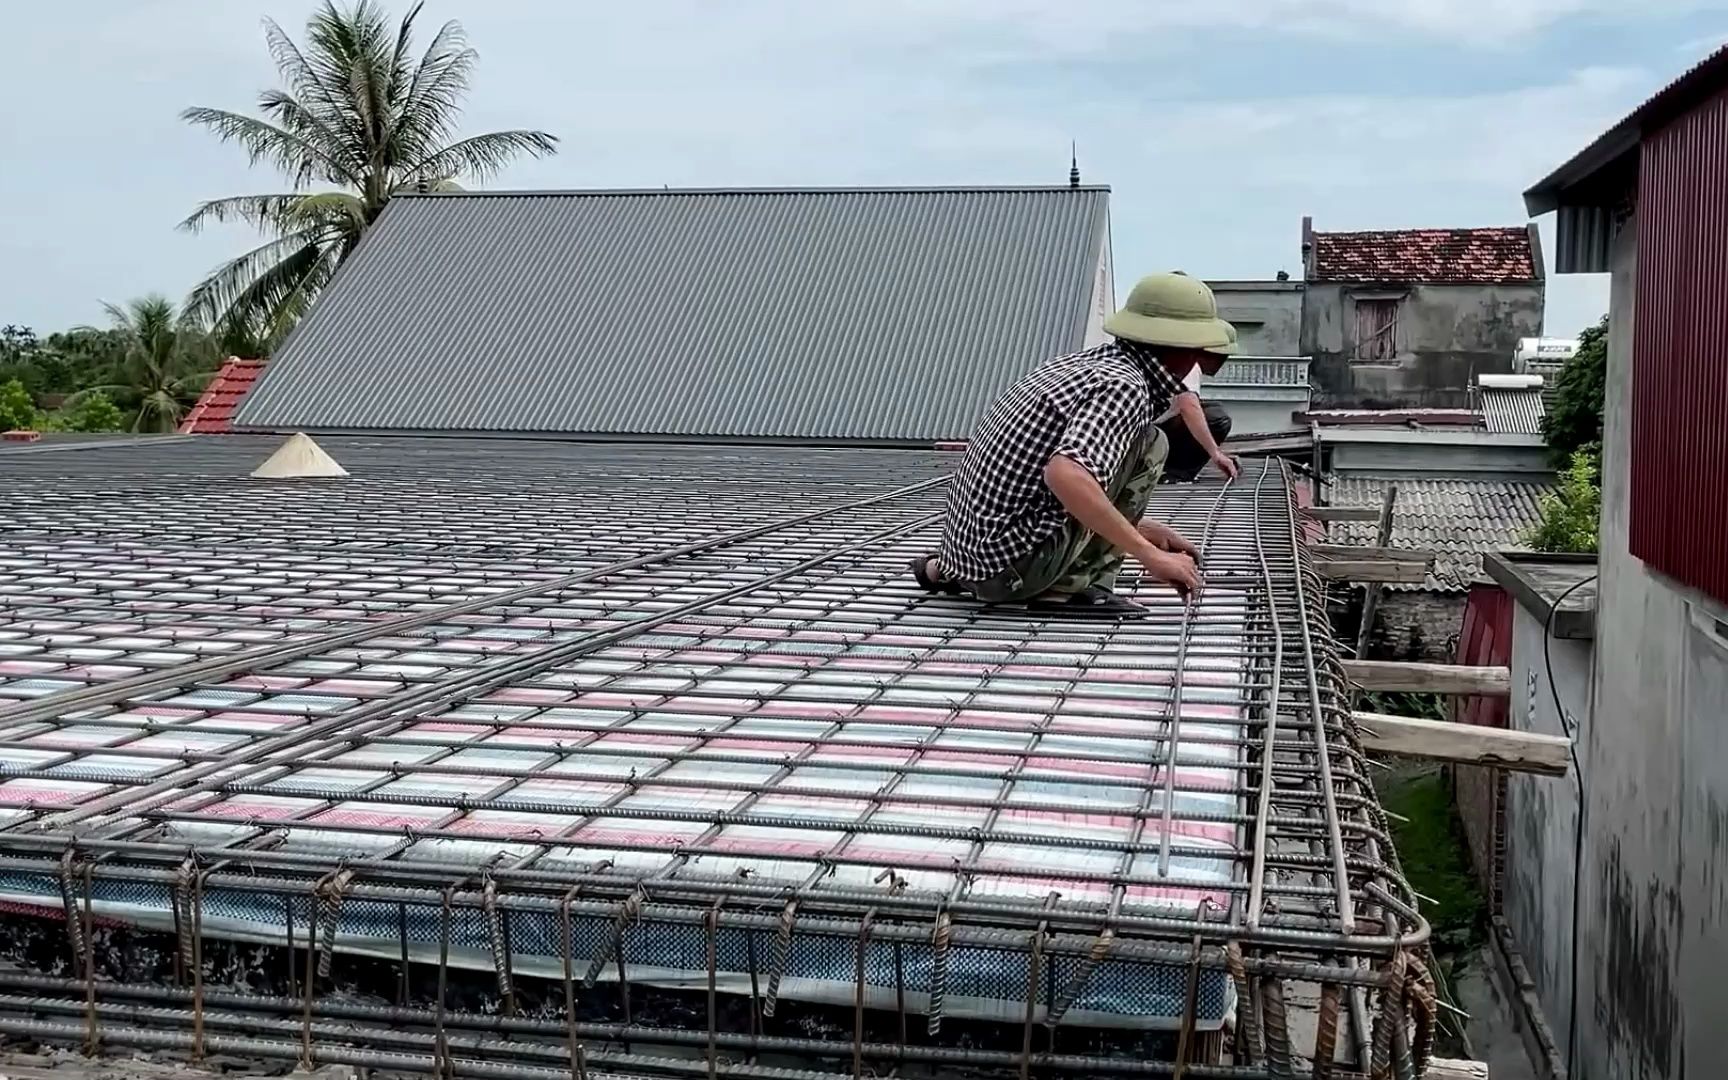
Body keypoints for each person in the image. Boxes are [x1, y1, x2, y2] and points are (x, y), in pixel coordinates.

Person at [910, 272, 1237, 616]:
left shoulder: (1090, 364)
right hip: (1010, 572)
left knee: (1132, 447)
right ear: (1185, 348)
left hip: (973, 557)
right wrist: (1148, 554)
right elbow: (1065, 476)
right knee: (1152, 443)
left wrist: (1143, 530)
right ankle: (1067, 589)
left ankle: (942, 571)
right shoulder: (1124, 386)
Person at [1157, 322, 1239, 483]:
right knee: (1217, 419)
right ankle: (1175, 472)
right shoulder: (1189, 365)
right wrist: (1215, 454)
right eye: (1222, 357)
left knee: (1213, 408)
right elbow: (1188, 405)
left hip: (1151, 430)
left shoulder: (1176, 356)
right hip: (1148, 436)